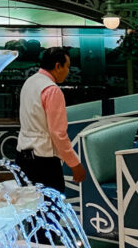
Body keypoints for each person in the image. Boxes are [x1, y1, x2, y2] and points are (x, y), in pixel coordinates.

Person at [15, 47, 86, 199]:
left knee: (29, 210)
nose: (68, 71)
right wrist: (74, 163)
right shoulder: (52, 90)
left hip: (22, 155)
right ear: (57, 66)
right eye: (67, 66)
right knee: (50, 209)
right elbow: (57, 133)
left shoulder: (29, 82)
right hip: (43, 161)